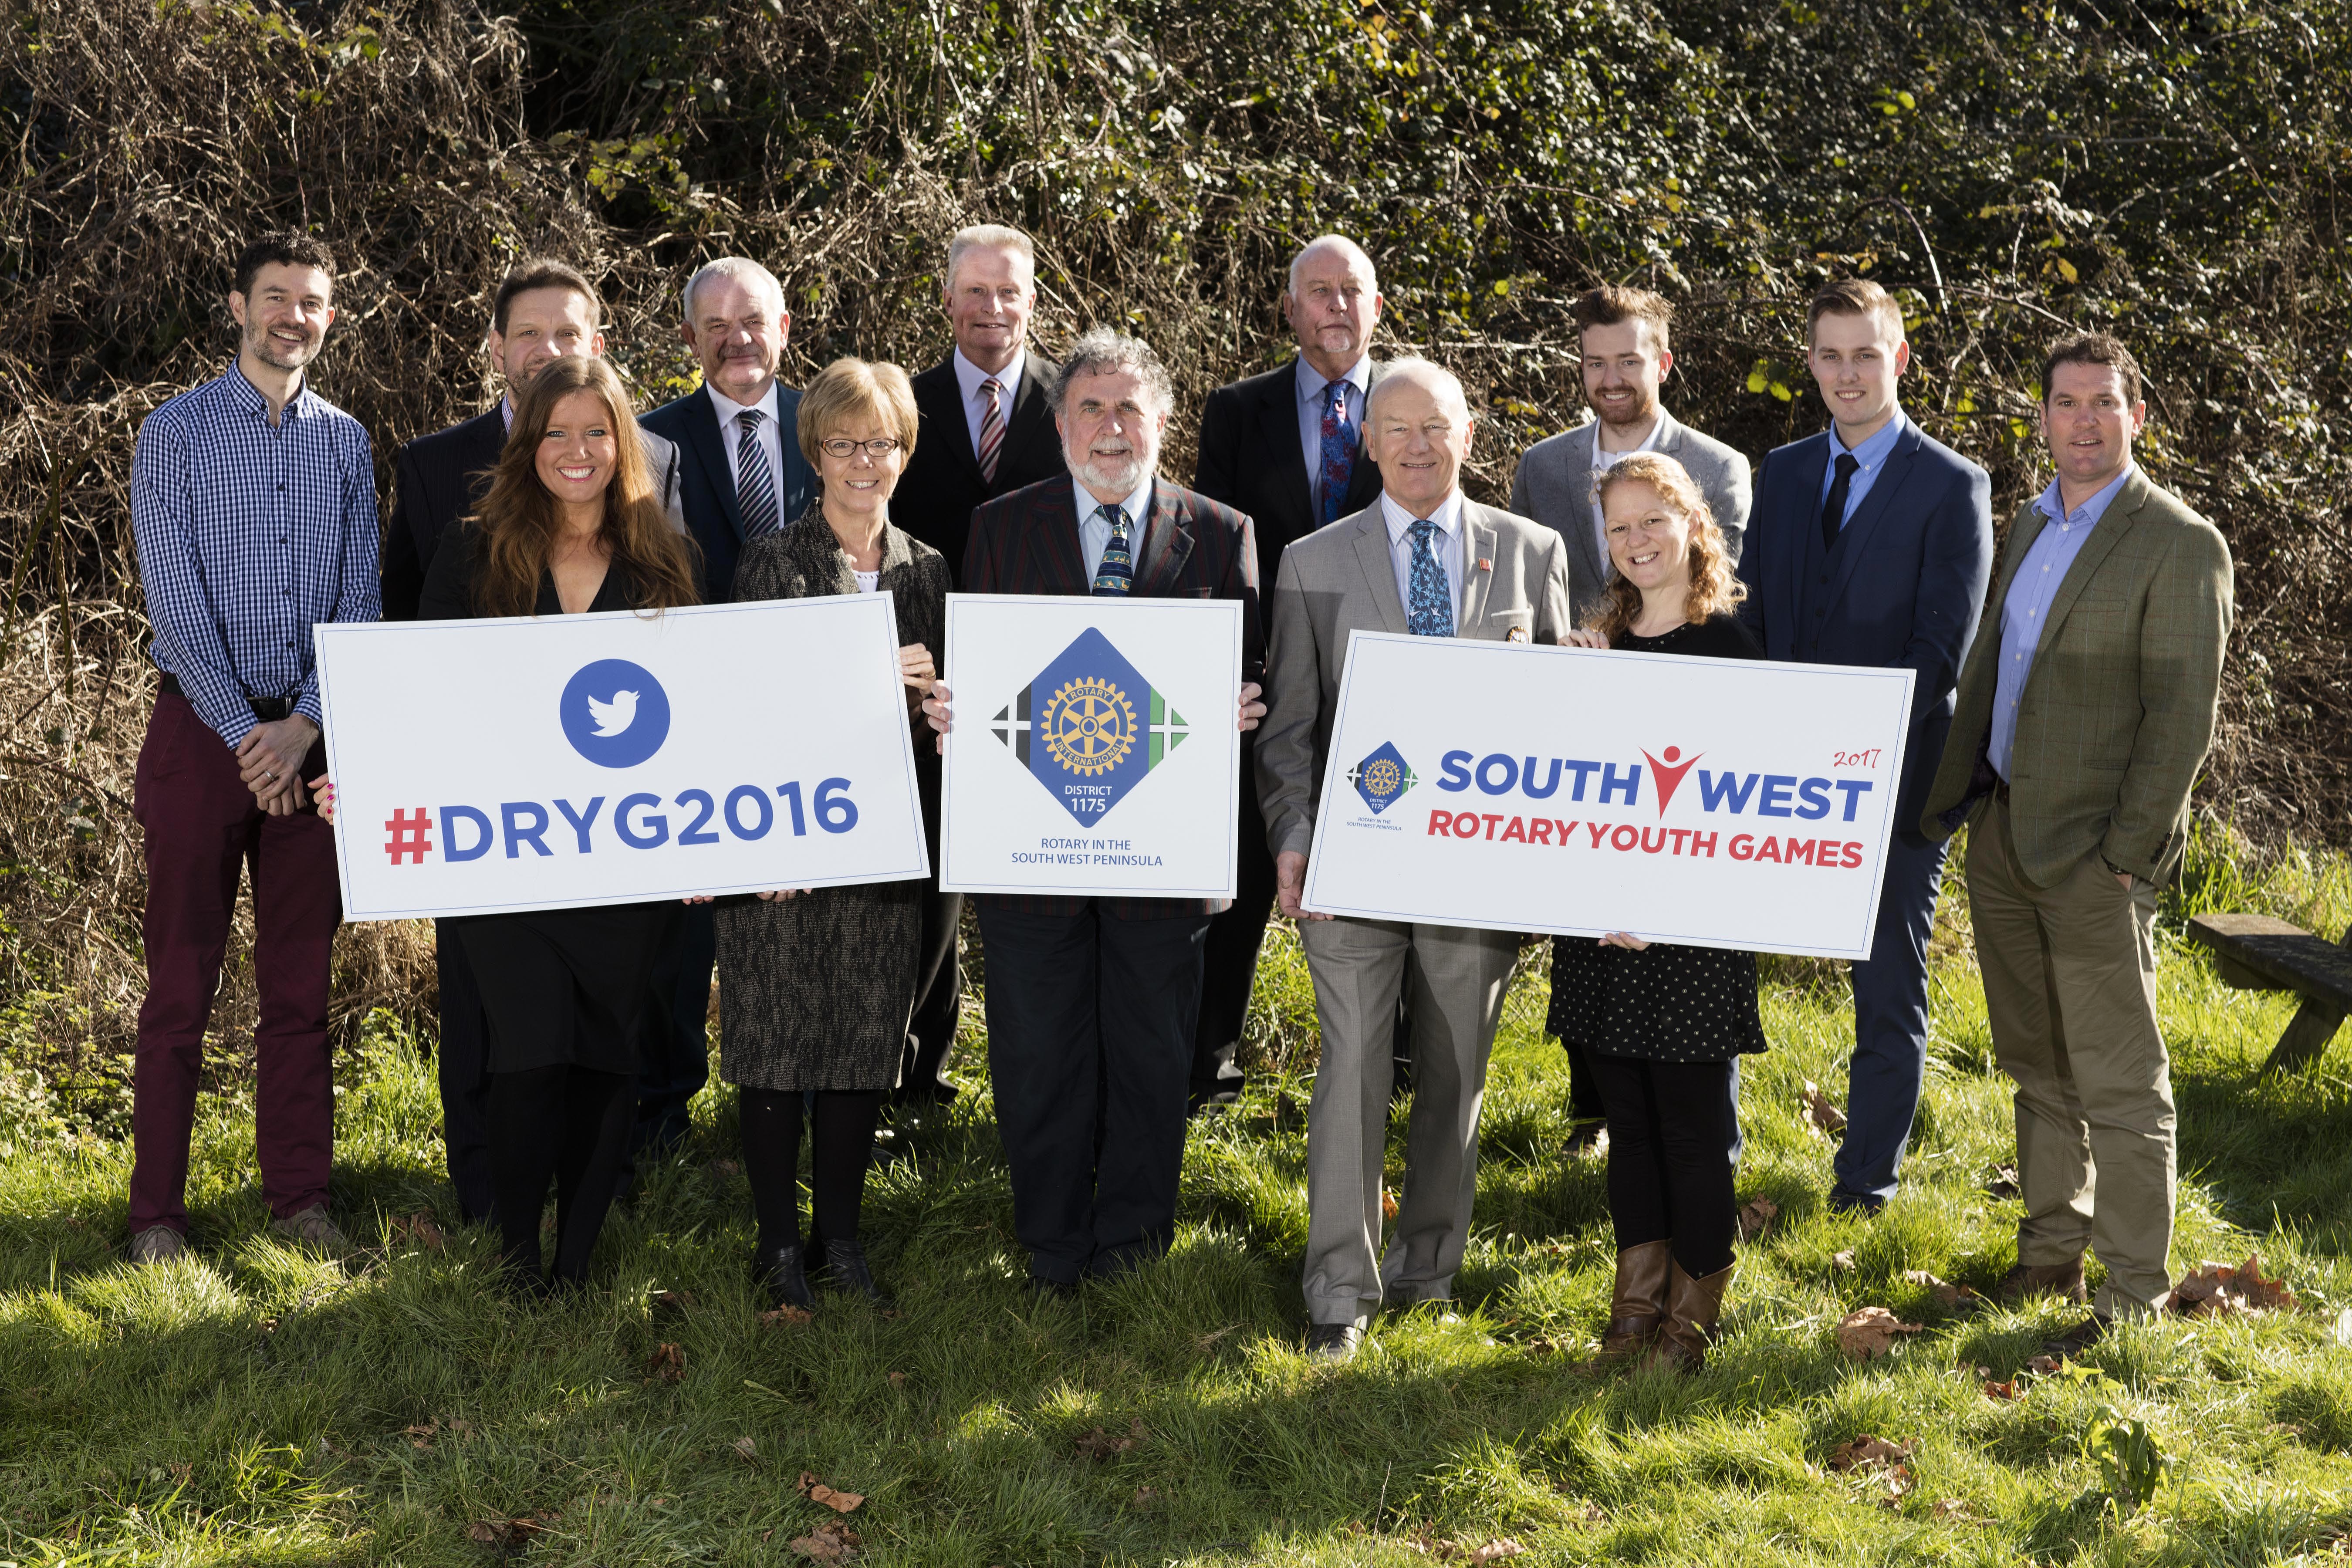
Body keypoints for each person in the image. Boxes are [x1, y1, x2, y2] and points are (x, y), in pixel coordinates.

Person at [921, 328, 1265, 1294]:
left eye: (1129, 409)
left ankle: (1133, 1245)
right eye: (1090, 409)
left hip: (1164, 844)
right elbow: (985, 667)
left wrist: (1245, 699)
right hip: (1032, 840)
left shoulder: (1223, 530)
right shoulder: (1001, 524)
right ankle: (1051, 1242)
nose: (1111, 429)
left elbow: (1245, 670)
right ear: (1062, 423)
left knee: (1154, 1050)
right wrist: (958, 705)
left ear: (1162, 421)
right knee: (1038, 1048)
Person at [1256, 357, 1571, 1362]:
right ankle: (1339, 1292)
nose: (1418, 446)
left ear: (1468, 435)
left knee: (1457, 1071)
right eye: (1397, 429)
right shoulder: (1313, 560)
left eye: (1435, 427)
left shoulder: (1533, 553)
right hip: (1355, 864)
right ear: (1371, 444)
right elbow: (1290, 731)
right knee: (1351, 1066)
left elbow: (1568, 727)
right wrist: (1293, 840)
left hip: (1478, 872)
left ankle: (1430, 1272)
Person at [1923, 333, 2232, 1355]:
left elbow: (2180, 722)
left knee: (2120, 1081)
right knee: (2035, 1063)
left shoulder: (2180, 543)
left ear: (2136, 416)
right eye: (2066, 403)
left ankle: (2132, 1294)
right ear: (2044, 417)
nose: (2085, 422)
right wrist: (1973, 805)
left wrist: (2125, 858)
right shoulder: (2031, 521)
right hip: (2007, 833)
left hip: (2098, 856)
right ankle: (2050, 1250)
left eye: (2105, 402)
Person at [378, 257, 682, 1225]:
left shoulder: (664, 531)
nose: (579, 448)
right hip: (496, 830)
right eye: (531, 335)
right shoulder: (456, 506)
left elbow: (705, 677)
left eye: (596, 432)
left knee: (602, 1040)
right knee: (503, 1036)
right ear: (500, 348)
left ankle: (595, 1213)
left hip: (619, 833)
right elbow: (413, 664)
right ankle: (494, 1211)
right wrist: (382, 781)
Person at [127, 228, 379, 1263]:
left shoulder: (347, 441)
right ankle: (156, 1216)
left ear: (328, 315)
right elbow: (174, 605)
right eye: (277, 296)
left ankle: (300, 1202)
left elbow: (362, 598)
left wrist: (305, 726)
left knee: (298, 986)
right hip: (201, 733)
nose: (295, 316)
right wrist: (250, 738)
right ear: (238, 306)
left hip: (316, 739)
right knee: (180, 984)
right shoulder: (175, 433)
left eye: (313, 301)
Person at [1737, 278, 1993, 1216]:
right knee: (1724, 968)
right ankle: (1712, 1155)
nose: (1848, 374)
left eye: (1867, 354)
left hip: (1895, 784)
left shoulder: (1952, 485)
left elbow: (1942, 652)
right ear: (1810, 362)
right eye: (1831, 355)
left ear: (1902, 360)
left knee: (1887, 987)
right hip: (1771, 776)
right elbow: (1753, 616)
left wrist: (1837, 741)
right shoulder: (1786, 472)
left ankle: (1867, 1184)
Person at [698, 358, 950, 1311]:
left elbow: (937, 723)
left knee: (859, 1042)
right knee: (773, 1038)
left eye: (880, 443)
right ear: (815, 451)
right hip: (786, 843)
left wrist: (937, 707)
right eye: (843, 442)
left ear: (904, 452)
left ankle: (839, 1241)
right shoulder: (769, 561)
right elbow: (748, 703)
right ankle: (775, 1248)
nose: (862, 462)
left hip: (886, 840)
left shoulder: (929, 567)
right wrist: (865, 679)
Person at [1511, 284, 1754, 1151]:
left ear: (1664, 362)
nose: (1612, 377)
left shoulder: (1719, 467)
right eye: (1596, 361)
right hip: (1580, 715)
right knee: (1591, 921)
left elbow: (1715, 597)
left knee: (1672, 920)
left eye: (1629, 360)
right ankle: (1594, 1109)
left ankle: (1685, 1112)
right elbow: (1534, 590)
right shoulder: (1541, 467)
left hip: (1679, 717)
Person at [1550, 454, 1765, 1370]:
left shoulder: (1738, 647)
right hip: (1600, 932)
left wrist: (1666, 904)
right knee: (1628, 1130)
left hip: (1692, 932)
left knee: (1691, 1129)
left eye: (1653, 522)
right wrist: (1566, 686)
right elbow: (1559, 792)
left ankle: (1691, 1320)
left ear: (1693, 526)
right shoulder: (1596, 644)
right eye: (1620, 527)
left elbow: (1744, 805)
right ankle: (1633, 1310)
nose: (1638, 542)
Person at [1189, 234, 1391, 1113]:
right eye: (1318, 292)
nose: (1336, 306)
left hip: (1383, 681)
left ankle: (1396, 1067)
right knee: (1237, 870)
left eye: (1352, 291)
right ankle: (1213, 1065)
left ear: (1377, 307)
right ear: (1289, 308)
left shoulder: (1412, 405)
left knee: (1391, 874)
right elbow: (1212, 545)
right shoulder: (1239, 411)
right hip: (1262, 682)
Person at [879, 223, 1066, 1114]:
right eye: (976, 292)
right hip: (924, 687)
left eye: (1010, 291)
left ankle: (1041, 1083)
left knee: (1036, 897)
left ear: (1034, 299)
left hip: (1052, 689)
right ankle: (916, 1079)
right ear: (948, 300)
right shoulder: (899, 409)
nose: (994, 309)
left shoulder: (1078, 407)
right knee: (924, 895)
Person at [634, 257, 814, 1169]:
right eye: (716, 324)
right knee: (683, 933)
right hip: (691, 723)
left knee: (800, 921)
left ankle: (801, 1105)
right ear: (688, 339)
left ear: (786, 327)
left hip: (812, 718)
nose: (737, 338)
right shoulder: (645, 441)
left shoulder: (836, 427)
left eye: (754, 320)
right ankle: (664, 1116)